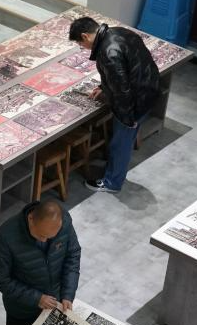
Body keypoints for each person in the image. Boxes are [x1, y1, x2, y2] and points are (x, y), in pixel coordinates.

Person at [69, 16, 161, 194]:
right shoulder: (120, 32)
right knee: (124, 139)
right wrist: (104, 86)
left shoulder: (108, 53)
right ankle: (115, 172)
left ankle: (112, 182)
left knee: (120, 143)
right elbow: (128, 68)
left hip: (136, 101)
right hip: (150, 88)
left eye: (81, 44)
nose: (83, 47)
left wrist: (127, 118)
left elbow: (122, 91)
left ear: (85, 36)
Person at [0, 199, 81, 325]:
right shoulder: (6, 236)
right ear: (30, 218)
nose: (44, 241)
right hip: (22, 310)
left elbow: (72, 256)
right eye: (40, 235)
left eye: (50, 237)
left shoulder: (65, 222)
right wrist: (36, 298)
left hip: (55, 304)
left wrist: (68, 293)